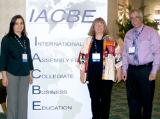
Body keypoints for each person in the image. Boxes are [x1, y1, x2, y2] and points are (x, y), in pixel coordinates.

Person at [78, 17, 122, 119]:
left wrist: (119, 71)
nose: (99, 26)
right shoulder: (88, 40)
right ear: (93, 27)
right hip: (92, 75)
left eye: (101, 24)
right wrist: (81, 72)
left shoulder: (110, 40)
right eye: (96, 24)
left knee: (106, 100)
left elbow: (118, 56)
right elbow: (82, 57)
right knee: (94, 99)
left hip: (107, 76)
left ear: (104, 27)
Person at [122, 9, 160, 119]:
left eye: (137, 17)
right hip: (132, 71)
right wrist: (124, 69)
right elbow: (125, 53)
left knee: (146, 100)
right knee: (133, 101)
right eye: (132, 18)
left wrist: (154, 71)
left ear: (141, 18)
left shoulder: (151, 32)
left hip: (146, 70)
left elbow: (158, 52)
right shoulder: (128, 34)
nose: (134, 20)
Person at [0, 15, 34, 119]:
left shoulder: (26, 40)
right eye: (16, 23)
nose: (19, 26)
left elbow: (29, 57)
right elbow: (3, 58)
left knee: (23, 102)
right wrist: (4, 76)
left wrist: (30, 74)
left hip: (25, 74)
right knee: (12, 102)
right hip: (12, 74)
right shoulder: (7, 39)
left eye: (21, 23)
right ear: (12, 25)